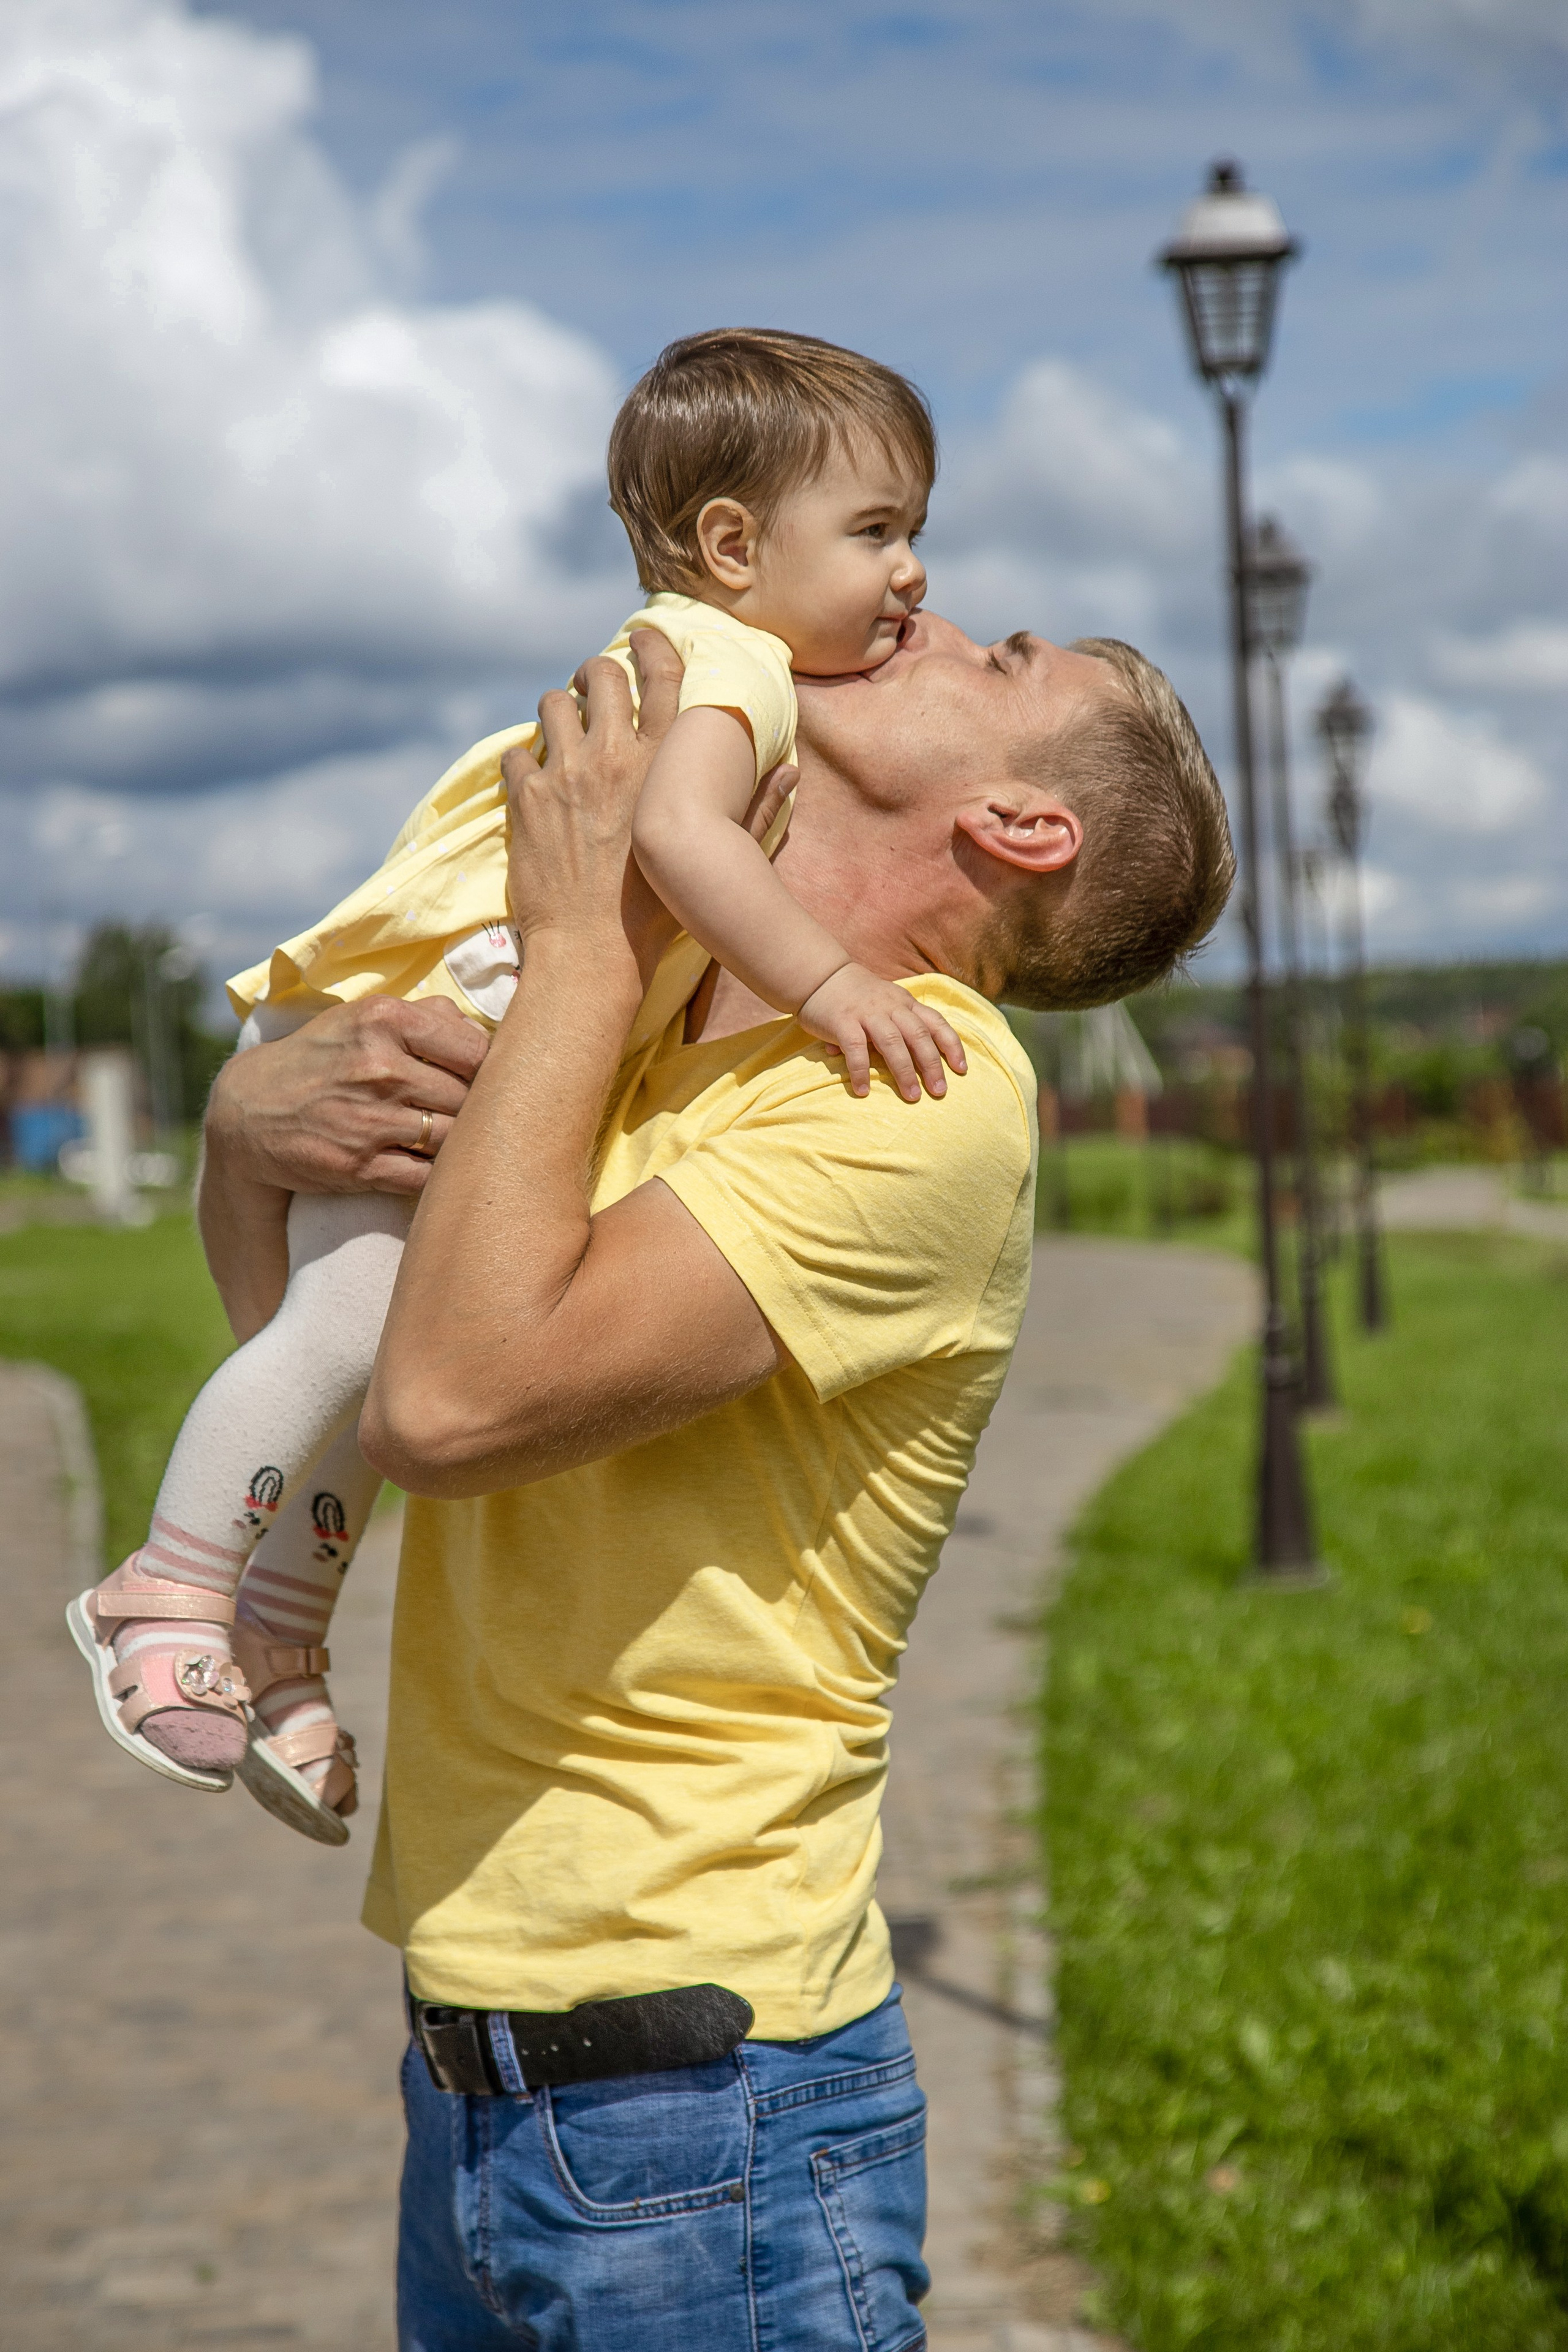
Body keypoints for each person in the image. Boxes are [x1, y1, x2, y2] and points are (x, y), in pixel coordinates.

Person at [198, 610, 1233, 2349]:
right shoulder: (645, 1035)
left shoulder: (921, 1095)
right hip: (475, 2071)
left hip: (706, 2111)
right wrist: (246, 1137)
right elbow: (324, 1371)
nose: (922, 611)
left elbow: (443, 1409)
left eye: (1002, 657)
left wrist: (576, 943)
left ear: (1022, 823)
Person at [67, 330, 968, 1843]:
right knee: (345, 1337)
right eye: (876, 531)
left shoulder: (697, 656)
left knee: (368, 1356)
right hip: (429, 1026)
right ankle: (161, 1592)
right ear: (733, 547)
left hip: (425, 1028)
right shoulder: (732, 667)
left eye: (909, 532)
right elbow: (679, 840)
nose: (912, 573)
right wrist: (830, 984)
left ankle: (279, 1644)